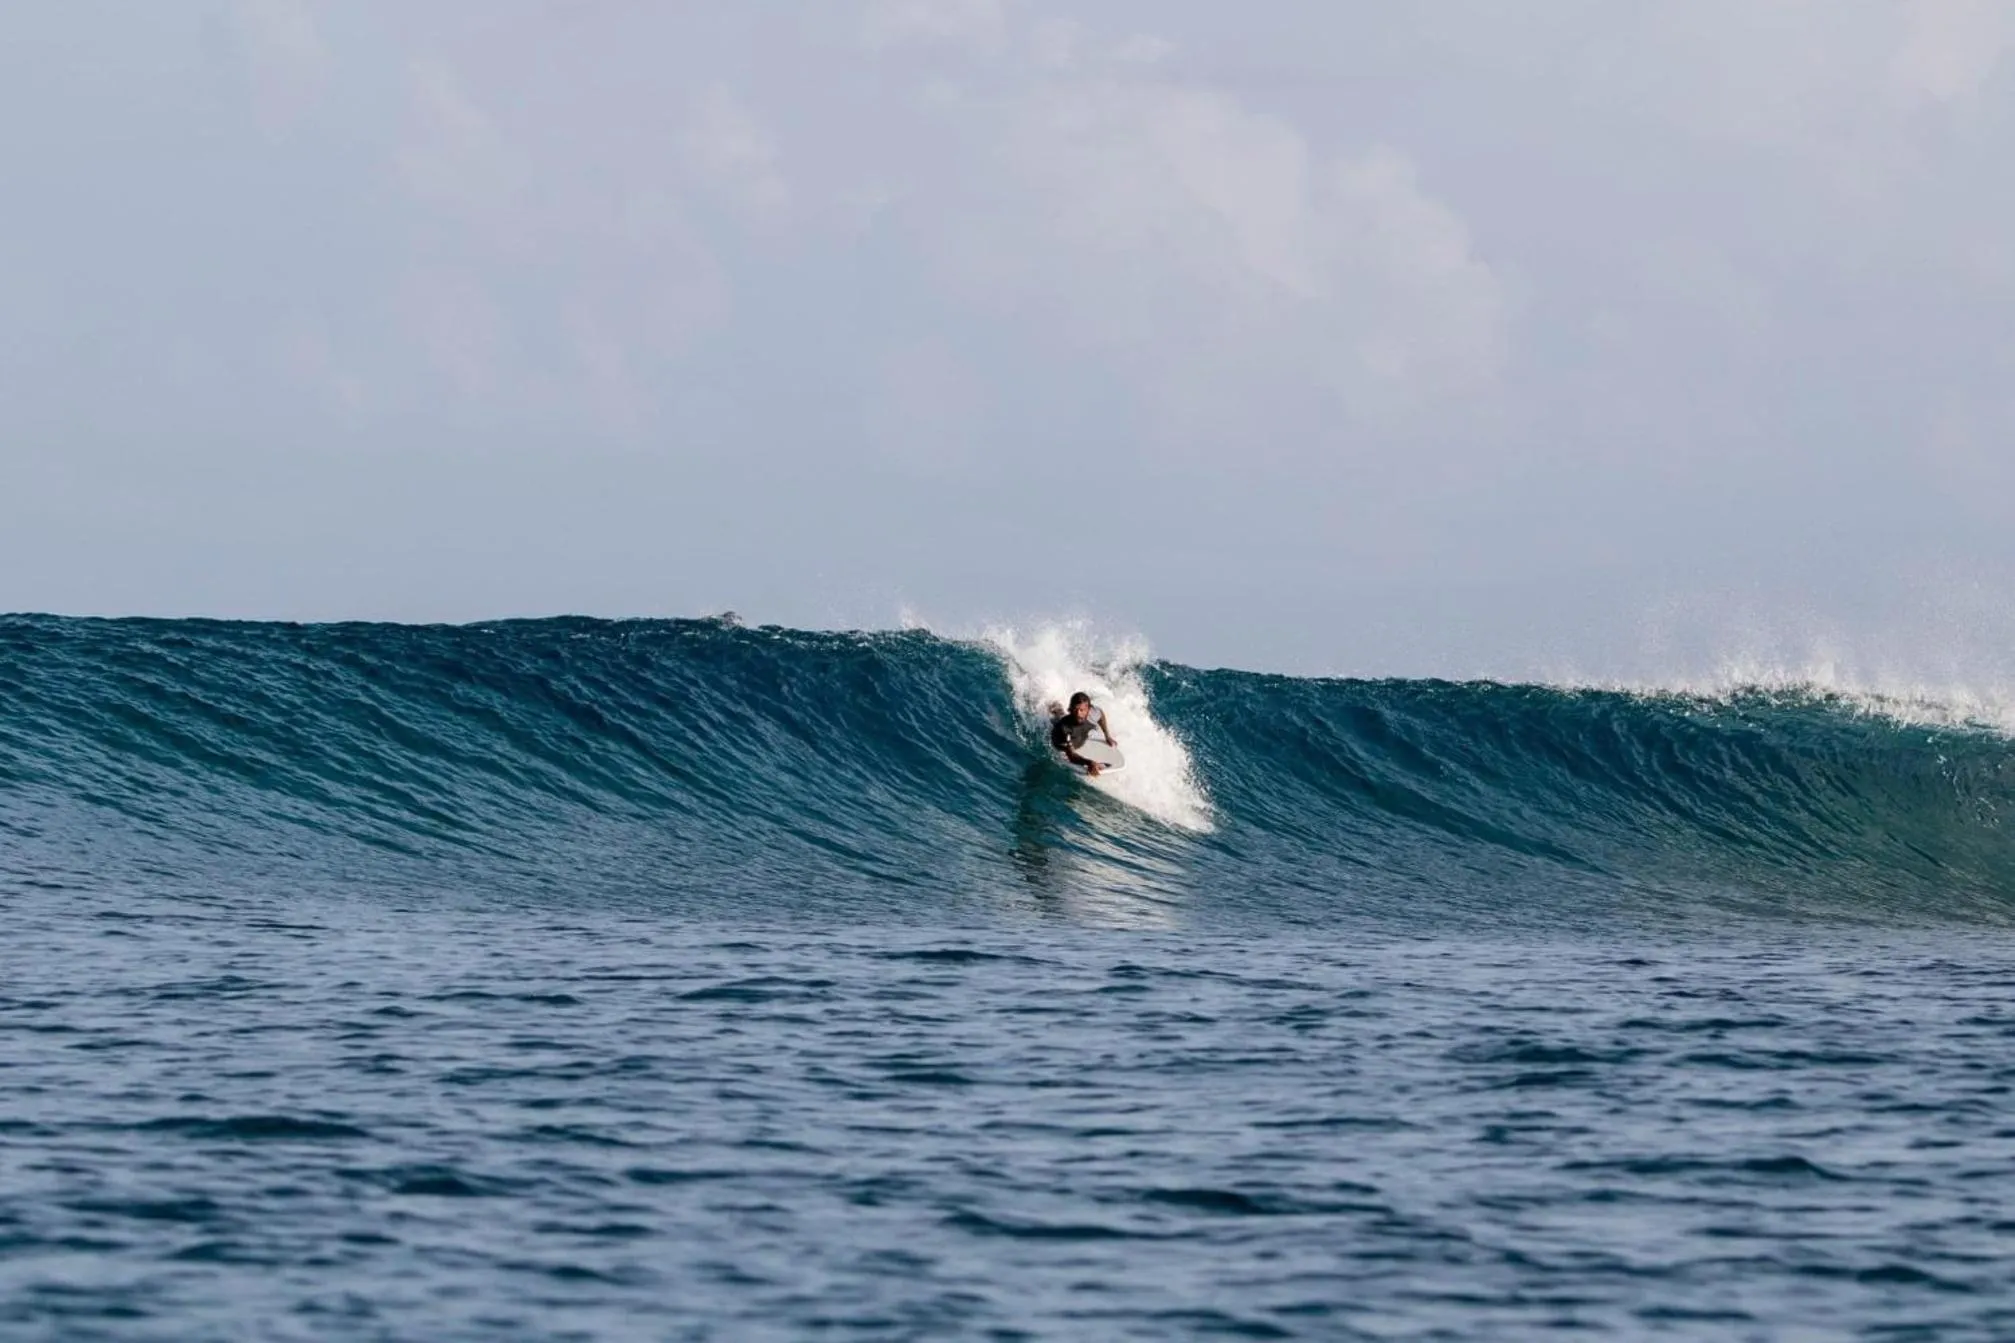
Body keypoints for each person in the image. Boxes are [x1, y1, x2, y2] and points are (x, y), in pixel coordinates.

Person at [1049, 691, 1118, 776]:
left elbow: (1101, 714)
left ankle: (1055, 706)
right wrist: (1089, 763)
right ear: (1070, 709)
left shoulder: (1092, 714)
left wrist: (1107, 736)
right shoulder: (1064, 729)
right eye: (1075, 709)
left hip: (1077, 737)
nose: (1078, 713)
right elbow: (1071, 756)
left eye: (1082, 710)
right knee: (1056, 719)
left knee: (1062, 716)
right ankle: (1052, 706)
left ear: (1088, 710)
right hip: (1062, 743)